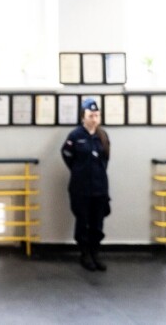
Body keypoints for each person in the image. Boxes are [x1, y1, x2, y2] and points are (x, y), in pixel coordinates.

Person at [61, 97, 111, 272]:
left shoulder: (103, 136)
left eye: (97, 115)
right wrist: (78, 172)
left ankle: (95, 252)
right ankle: (85, 254)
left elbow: (105, 160)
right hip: (80, 188)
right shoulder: (75, 136)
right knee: (83, 222)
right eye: (91, 115)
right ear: (83, 117)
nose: (94, 119)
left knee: (97, 223)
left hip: (99, 188)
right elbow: (67, 155)